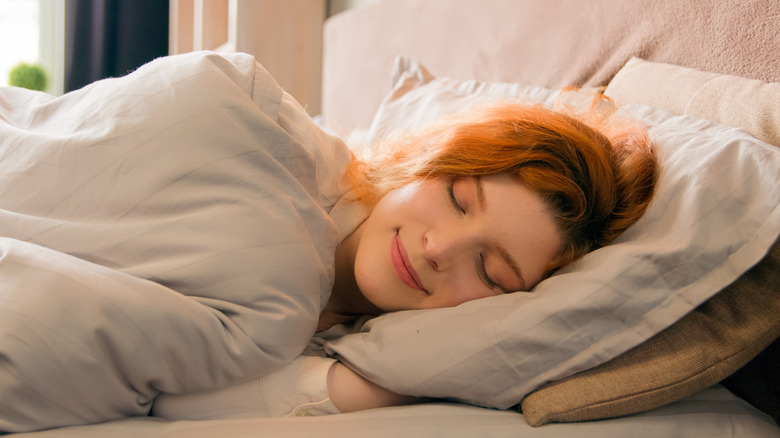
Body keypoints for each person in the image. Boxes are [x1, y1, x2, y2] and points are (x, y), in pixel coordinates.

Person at [152, 94, 657, 419]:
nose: (438, 249)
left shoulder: (378, 350)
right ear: (426, 163)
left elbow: (170, 395)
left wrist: (383, 386)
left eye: (490, 271)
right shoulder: (283, 170)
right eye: (457, 199)